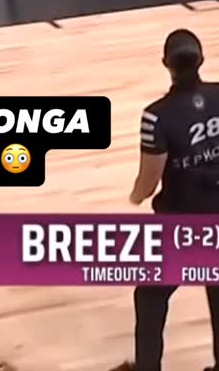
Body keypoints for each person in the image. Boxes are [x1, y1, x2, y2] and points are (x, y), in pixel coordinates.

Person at [113, 29, 219, 371]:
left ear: (166, 64)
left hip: (182, 226)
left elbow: (149, 179)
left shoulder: (156, 116)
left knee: (150, 295)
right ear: (201, 60)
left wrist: (135, 196)